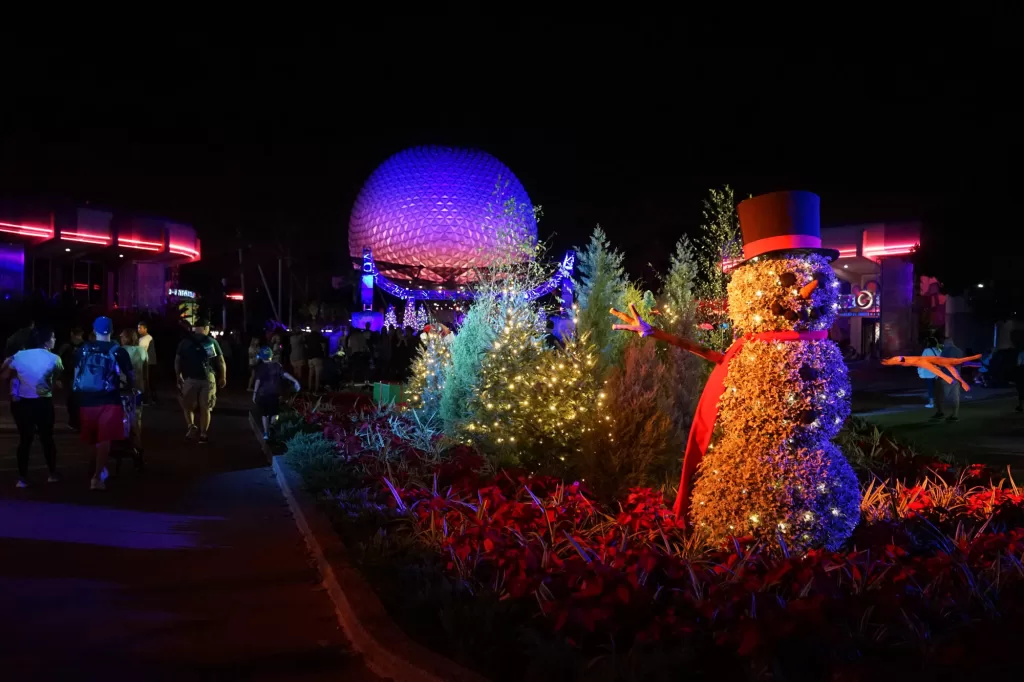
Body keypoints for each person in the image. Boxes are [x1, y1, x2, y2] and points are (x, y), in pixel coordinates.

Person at [73, 316, 134, 490]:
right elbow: (130, 374)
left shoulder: (83, 349)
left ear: (94, 330)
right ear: (112, 330)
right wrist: (132, 387)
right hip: (109, 399)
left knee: (93, 439)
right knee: (105, 439)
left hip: (86, 399)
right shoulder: (117, 350)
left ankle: (99, 468)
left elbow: (76, 372)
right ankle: (97, 476)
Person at [2, 326, 62, 487]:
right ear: (46, 341)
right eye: (53, 337)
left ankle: (22, 477)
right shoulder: (55, 358)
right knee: (47, 439)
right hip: (43, 402)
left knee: (25, 440)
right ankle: (52, 473)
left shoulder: (19, 356)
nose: (55, 340)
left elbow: (5, 373)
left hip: (23, 403)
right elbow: (56, 376)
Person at [175, 317, 226, 444]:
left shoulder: (185, 342)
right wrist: (223, 376)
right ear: (204, 328)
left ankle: (191, 426)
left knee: (187, 405)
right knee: (206, 407)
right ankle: (203, 434)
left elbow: (177, 360)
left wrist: (178, 375)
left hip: (190, 378)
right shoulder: (210, 342)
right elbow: (220, 361)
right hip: (208, 378)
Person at [253, 346, 300, 440]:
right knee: (275, 414)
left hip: (263, 394)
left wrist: (254, 393)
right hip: (274, 393)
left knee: (264, 414)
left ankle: (266, 433)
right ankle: (273, 429)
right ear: (271, 355)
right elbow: (285, 374)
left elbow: (257, 381)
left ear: (261, 357)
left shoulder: (260, 367)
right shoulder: (277, 365)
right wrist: (295, 381)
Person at [119, 328, 148, 465]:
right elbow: (146, 372)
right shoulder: (142, 351)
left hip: (123, 390)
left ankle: (126, 447)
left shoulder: (119, 351)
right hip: (138, 389)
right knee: (136, 419)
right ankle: (138, 447)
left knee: (123, 419)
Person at [57, 326, 85, 430]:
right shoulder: (67, 346)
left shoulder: (83, 346)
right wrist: (59, 377)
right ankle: (74, 421)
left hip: (78, 377)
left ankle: (76, 421)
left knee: (76, 400)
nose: (78, 338)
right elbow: (59, 362)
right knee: (72, 399)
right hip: (70, 377)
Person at [932, 336, 964, 423]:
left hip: (946, 377)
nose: (944, 345)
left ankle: (940, 413)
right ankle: (954, 415)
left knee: (939, 396)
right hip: (956, 377)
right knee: (955, 397)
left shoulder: (946, 351)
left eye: (945, 343)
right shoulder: (959, 351)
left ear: (947, 342)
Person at [137, 321, 157, 405]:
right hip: (147, 362)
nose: (139, 330)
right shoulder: (141, 338)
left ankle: (149, 399)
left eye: (140, 328)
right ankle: (151, 399)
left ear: (145, 329)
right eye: (138, 328)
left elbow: (142, 350)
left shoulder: (147, 338)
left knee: (147, 381)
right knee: (148, 381)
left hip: (148, 362)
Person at [918, 337, 940, 409]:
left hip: (929, 372)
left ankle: (931, 403)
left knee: (930, 388)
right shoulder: (938, 351)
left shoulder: (926, 351)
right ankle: (937, 402)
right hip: (937, 372)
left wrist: (920, 370)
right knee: (936, 388)